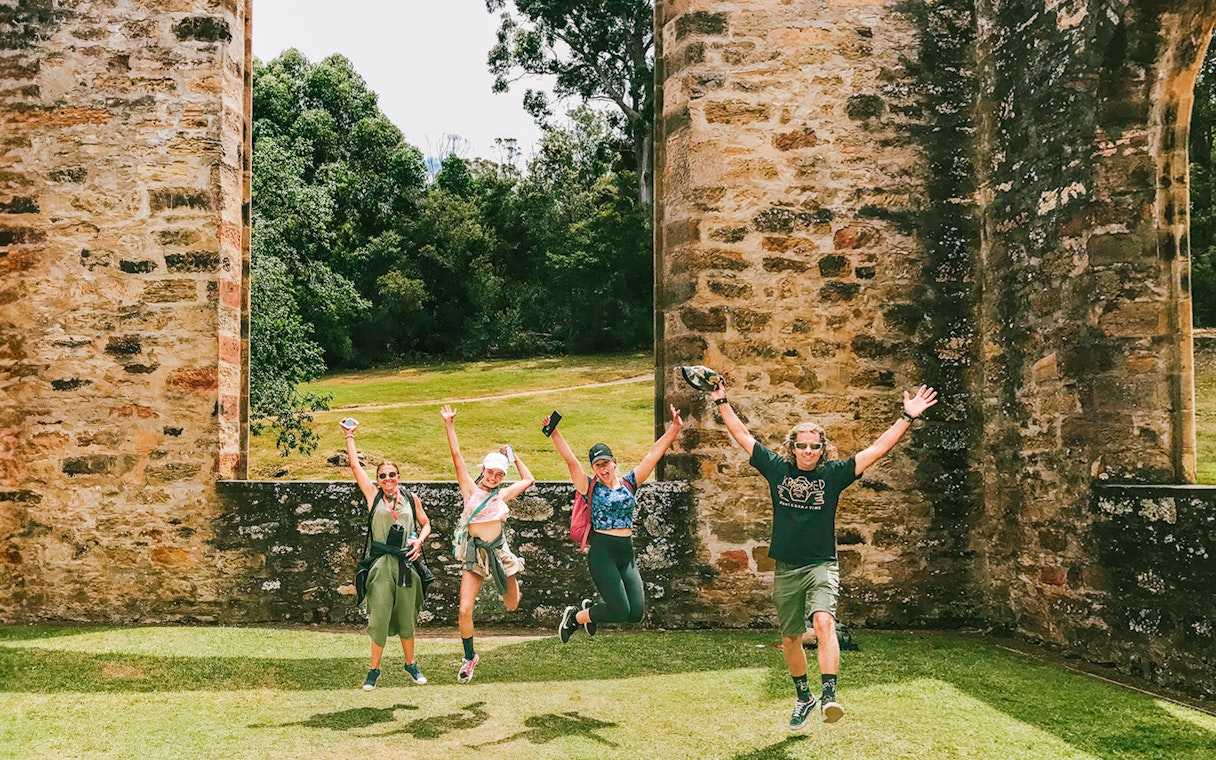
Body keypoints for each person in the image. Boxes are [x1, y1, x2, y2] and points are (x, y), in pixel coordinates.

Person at [708, 379, 937, 730]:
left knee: (824, 622)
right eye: (803, 446)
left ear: (822, 449)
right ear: (793, 448)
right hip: (786, 567)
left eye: (815, 447)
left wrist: (907, 417)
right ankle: (805, 697)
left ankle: (829, 695)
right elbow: (743, 436)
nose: (809, 452)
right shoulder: (776, 469)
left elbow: (877, 449)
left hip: (821, 565)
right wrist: (721, 401)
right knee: (790, 638)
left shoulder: (833, 475)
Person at [549, 404, 683, 642]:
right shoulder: (589, 487)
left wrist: (674, 428)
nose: (603, 469)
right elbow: (571, 461)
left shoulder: (630, 483)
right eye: (597, 465)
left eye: (606, 463)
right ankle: (575, 617)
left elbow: (652, 455)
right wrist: (554, 432)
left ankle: (591, 611)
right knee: (620, 610)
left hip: (626, 553)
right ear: (594, 469)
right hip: (603, 552)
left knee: (635, 614)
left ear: (613, 462)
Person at [441, 403, 535, 684]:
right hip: (475, 555)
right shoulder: (469, 489)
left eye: (499, 474)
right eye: (491, 472)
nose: (494, 477)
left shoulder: (502, 495)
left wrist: (514, 457)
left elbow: (529, 479)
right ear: (483, 469)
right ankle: (469, 657)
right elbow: (456, 456)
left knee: (512, 605)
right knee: (464, 609)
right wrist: (450, 424)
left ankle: (513, 572)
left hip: (499, 552)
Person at [342, 421, 432, 691]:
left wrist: (419, 541)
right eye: (383, 475)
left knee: (407, 615)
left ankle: (410, 664)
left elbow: (426, 523)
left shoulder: (410, 497)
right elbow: (356, 467)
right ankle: (373, 670)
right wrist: (349, 436)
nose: (388, 479)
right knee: (379, 615)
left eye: (392, 474)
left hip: (406, 563)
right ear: (378, 480)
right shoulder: (373, 496)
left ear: (399, 476)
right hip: (381, 564)